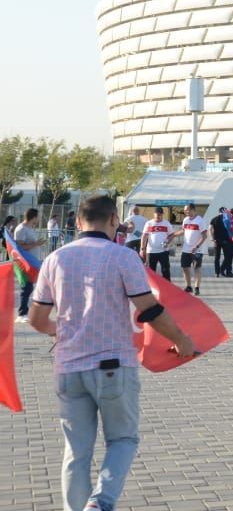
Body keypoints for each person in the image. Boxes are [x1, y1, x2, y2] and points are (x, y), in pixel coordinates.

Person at [28, 194, 195, 511]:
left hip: (68, 369)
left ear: (77, 223)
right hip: (112, 366)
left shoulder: (55, 259)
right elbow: (149, 310)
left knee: (76, 450)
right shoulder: (123, 257)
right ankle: (100, 503)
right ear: (114, 221)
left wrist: (60, 330)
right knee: (122, 439)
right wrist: (180, 338)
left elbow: (36, 319)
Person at [14, 208, 47, 321]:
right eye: (37, 217)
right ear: (33, 217)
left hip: (32, 262)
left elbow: (31, 244)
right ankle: (21, 314)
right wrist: (36, 243)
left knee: (28, 287)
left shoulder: (29, 228)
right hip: (24, 262)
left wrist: (38, 243)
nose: (38, 219)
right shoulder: (21, 229)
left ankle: (23, 312)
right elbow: (20, 247)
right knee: (26, 287)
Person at [179, 204, 208, 296]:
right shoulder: (185, 220)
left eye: (186, 210)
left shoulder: (200, 221)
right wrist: (172, 235)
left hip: (197, 250)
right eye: (184, 210)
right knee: (185, 268)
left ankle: (197, 288)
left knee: (197, 268)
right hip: (186, 249)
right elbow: (183, 231)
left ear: (192, 210)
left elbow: (204, 235)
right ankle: (188, 287)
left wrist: (197, 246)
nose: (185, 212)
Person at [139, 207, 174, 280]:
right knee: (151, 271)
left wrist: (167, 242)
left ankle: (167, 288)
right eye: (157, 214)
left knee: (165, 271)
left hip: (163, 251)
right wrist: (142, 248)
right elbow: (144, 236)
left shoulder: (166, 223)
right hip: (151, 251)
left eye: (160, 215)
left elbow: (171, 235)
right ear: (154, 214)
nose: (158, 216)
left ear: (162, 215)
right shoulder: (149, 223)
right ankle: (152, 289)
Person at [211, 207, 233, 278]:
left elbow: (211, 229)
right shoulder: (228, 218)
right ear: (225, 211)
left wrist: (213, 239)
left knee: (217, 257)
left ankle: (217, 273)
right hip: (226, 241)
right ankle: (227, 272)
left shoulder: (214, 219)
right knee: (228, 256)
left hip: (216, 241)